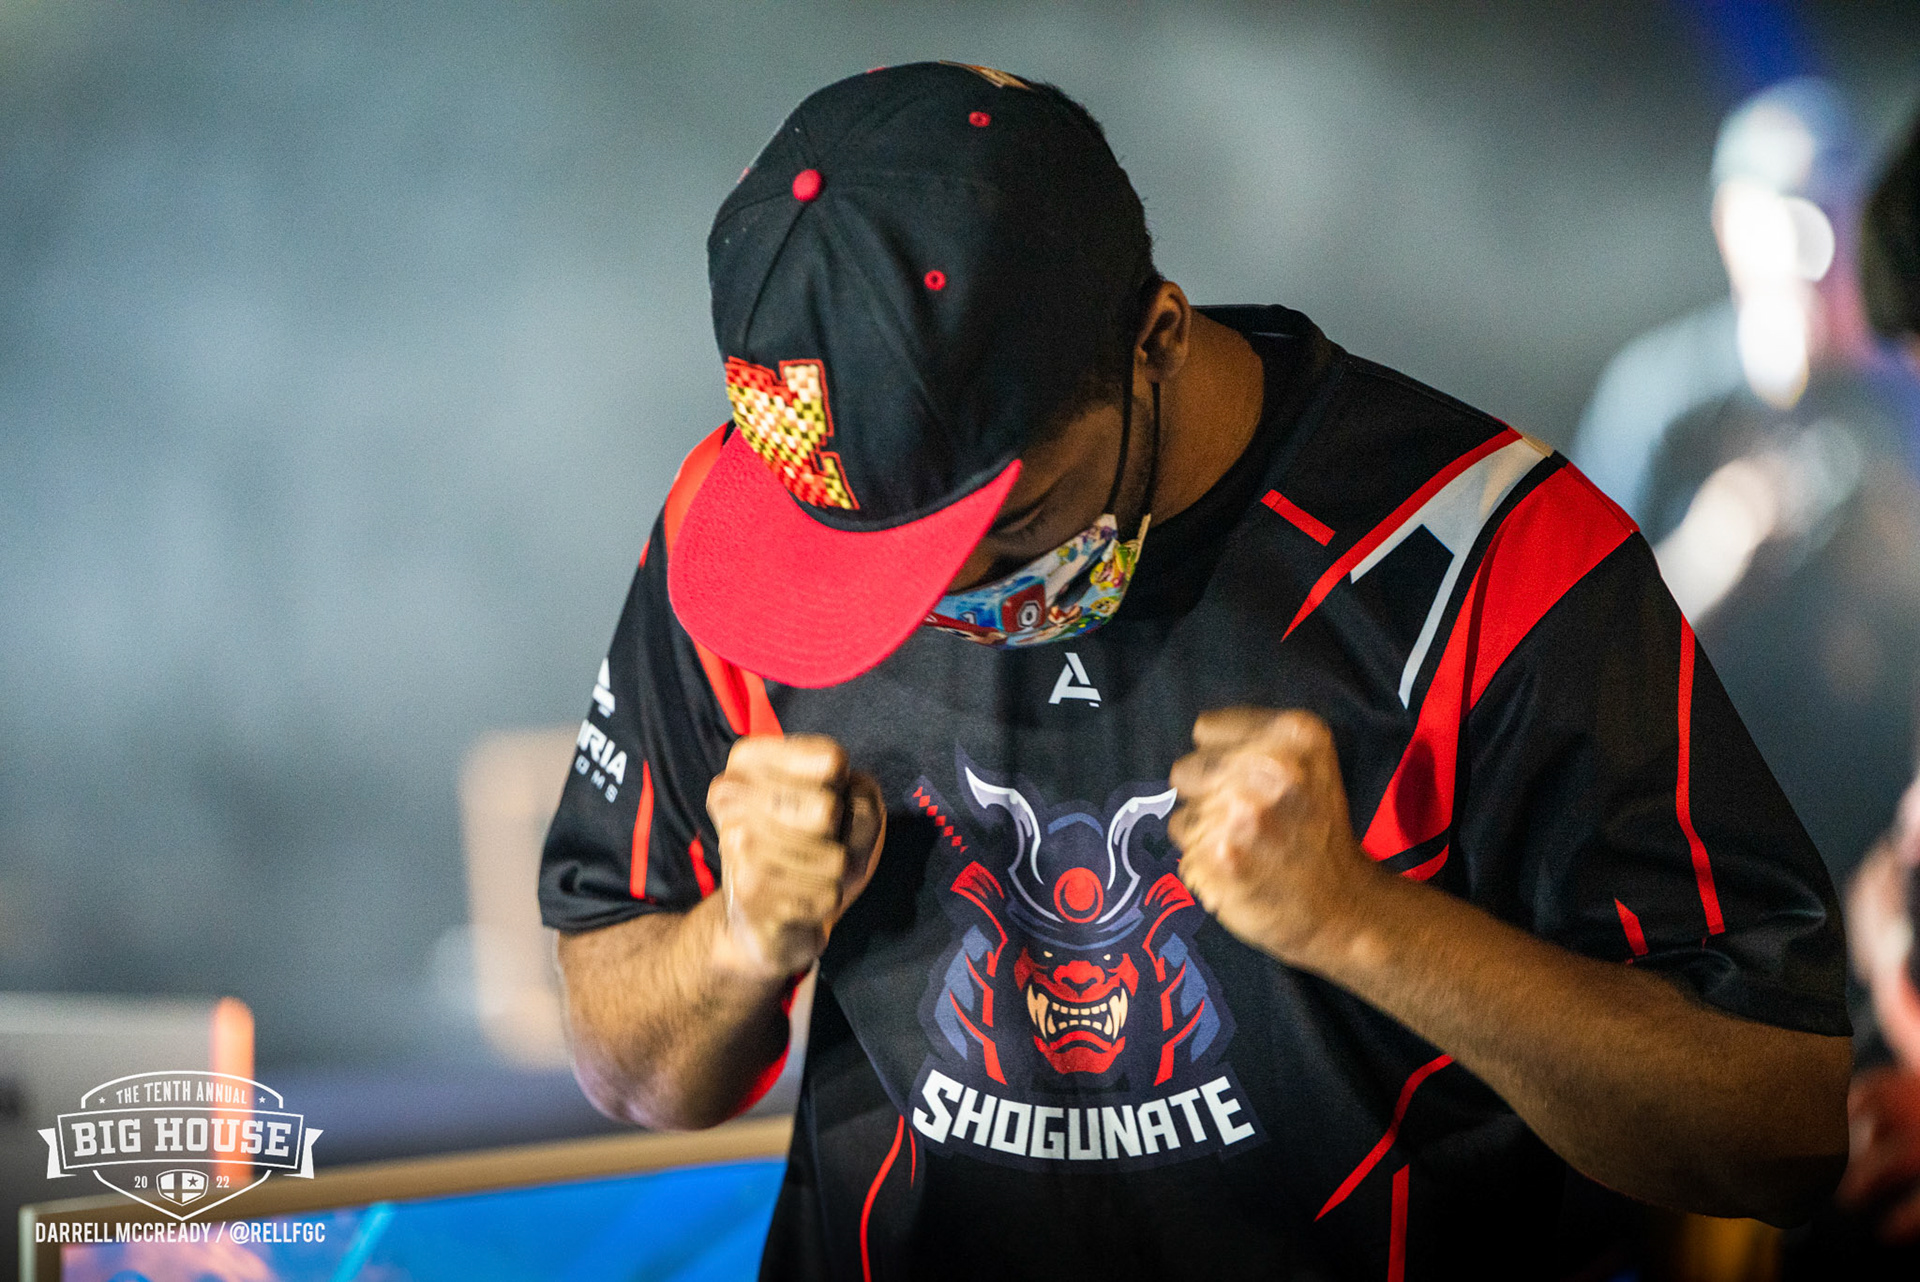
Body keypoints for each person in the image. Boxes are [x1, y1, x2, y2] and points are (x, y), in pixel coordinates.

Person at [540, 64, 1850, 1280]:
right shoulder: (749, 543)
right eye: (871, 557)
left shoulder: (1487, 556)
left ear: (1157, 334)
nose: (935, 602)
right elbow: (629, 1064)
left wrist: (1364, 923)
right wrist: (737, 940)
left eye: (1005, 523)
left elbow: (1777, 1134)